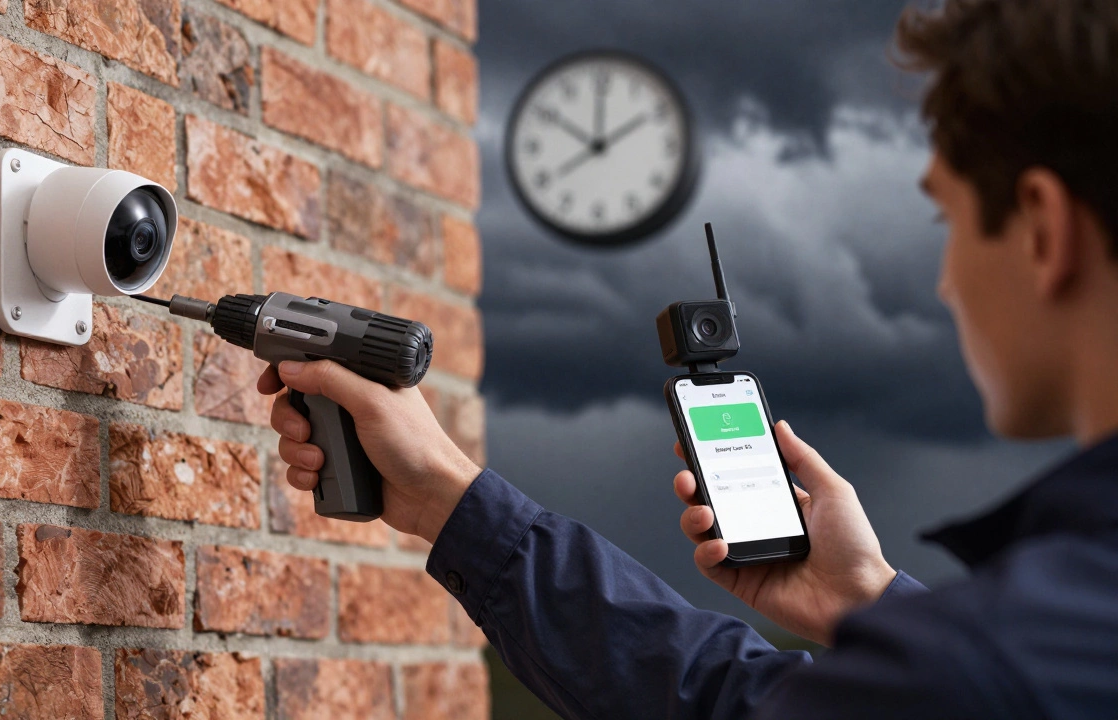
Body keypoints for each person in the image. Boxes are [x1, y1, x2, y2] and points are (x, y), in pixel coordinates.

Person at [257, 0, 1118, 716]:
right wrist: (871, 601)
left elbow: (721, 702)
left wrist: (453, 500)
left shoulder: (993, 668)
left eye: (949, 220)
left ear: (1043, 228)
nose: (945, 284)